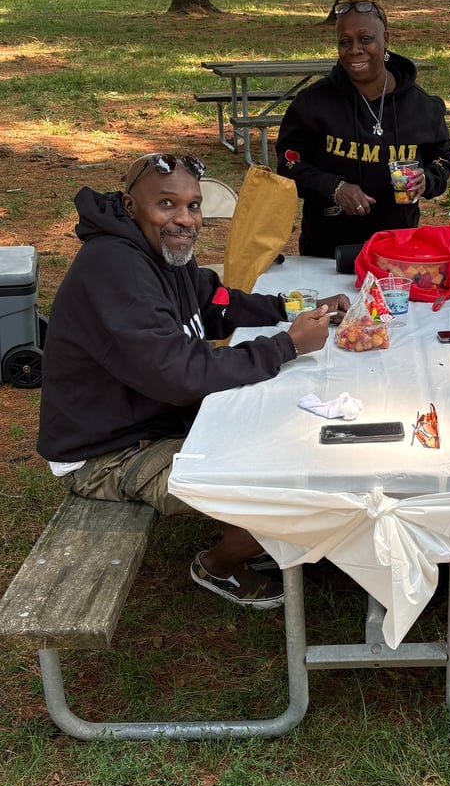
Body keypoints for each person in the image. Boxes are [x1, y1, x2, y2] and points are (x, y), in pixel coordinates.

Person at [37, 152, 350, 608]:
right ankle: (218, 565)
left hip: (156, 419)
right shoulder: (114, 268)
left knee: (294, 430)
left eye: (194, 205)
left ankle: (275, 535)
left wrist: (292, 308)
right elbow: (180, 374)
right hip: (108, 452)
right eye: (167, 204)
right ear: (131, 206)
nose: (186, 219)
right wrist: (286, 345)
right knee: (281, 478)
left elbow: (214, 301)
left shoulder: (163, 250)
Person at [276, 0, 450, 259]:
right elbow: (289, 164)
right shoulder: (312, 103)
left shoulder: (423, 107)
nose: (354, 50)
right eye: (344, 42)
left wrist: (426, 179)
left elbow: (442, 156)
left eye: (366, 39)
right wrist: (334, 188)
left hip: (395, 251)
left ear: (386, 39)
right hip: (327, 253)